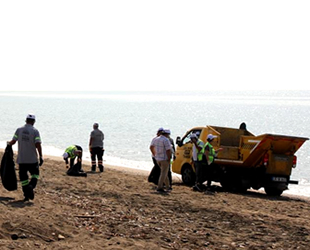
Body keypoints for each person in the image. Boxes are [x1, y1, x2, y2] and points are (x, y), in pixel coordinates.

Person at [8, 114, 43, 201]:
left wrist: (8, 145)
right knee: (35, 174)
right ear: (33, 122)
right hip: (32, 159)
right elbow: (38, 144)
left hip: (22, 159)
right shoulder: (35, 131)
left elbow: (13, 141)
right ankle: (31, 186)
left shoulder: (19, 130)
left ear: (26, 120)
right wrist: (41, 156)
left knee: (23, 178)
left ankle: (26, 195)